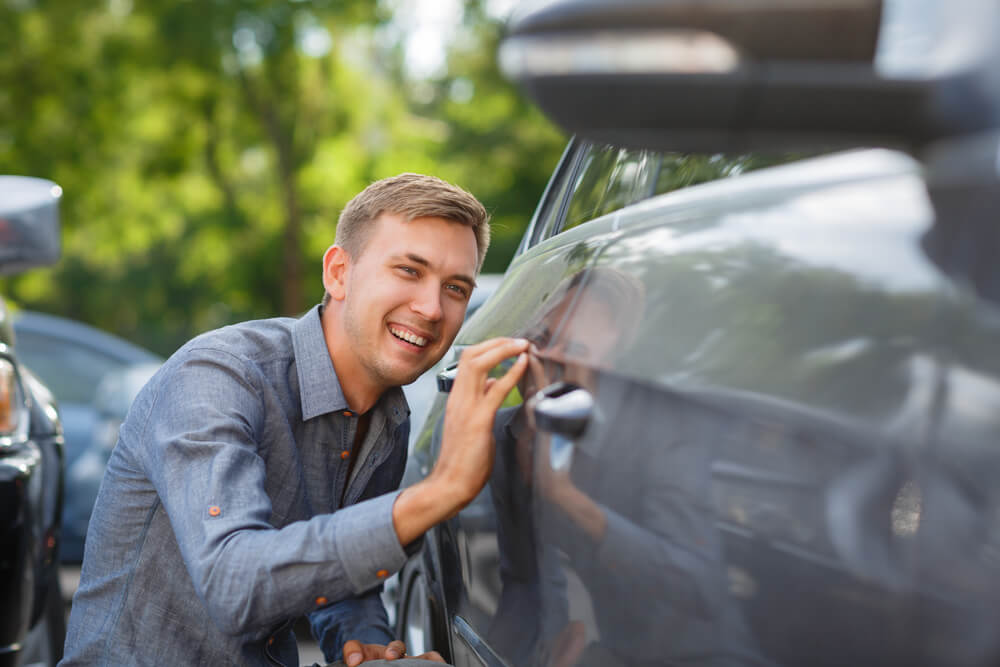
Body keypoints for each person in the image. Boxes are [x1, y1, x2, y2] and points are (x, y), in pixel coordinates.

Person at [60, 173, 529, 666]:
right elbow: (233, 583)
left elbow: (345, 579)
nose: (432, 308)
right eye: (409, 271)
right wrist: (442, 489)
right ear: (339, 273)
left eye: (455, 287)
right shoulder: (219, 376)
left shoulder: (388, 415)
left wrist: (363, 644)